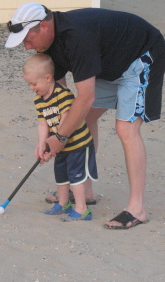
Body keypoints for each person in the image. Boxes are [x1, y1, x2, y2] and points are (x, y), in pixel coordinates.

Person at [5, 3, 165, 229]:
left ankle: (136, 210)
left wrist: (60, 138)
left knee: (126, 128)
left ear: (43, 26)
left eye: (27, 40)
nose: (26, 47)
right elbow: (60, 98)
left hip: (141, 55)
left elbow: (86, 96)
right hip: (110, 63)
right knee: (82, 119)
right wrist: (50, 137)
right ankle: (84, 188)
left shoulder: (76, 37)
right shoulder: (48, 46)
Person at [22, 53, 98, 222]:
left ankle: (82, 209)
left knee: (76, 177)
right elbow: (43, 124)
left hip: (78, 144)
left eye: (34, 84)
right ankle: (63, 204)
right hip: (60, 146)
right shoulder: (39, 100)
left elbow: (66, 117)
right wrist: (42, 145)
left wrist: (57, 139)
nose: (31, 88)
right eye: (29, 84)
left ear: (48, 77)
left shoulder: (62, 93)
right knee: (61, 176)